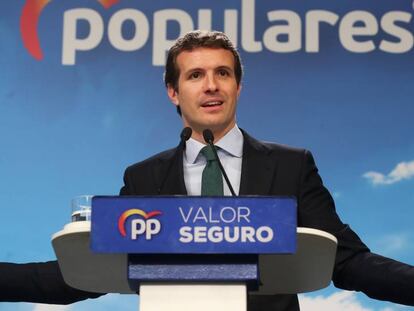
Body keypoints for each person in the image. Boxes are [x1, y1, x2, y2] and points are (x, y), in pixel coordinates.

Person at [1, 30, 413, 311]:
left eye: (223, 73)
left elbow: (345, 262)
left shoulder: (291, 165)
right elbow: (88, 273)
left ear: (238, 87)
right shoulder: (144, 178)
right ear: (173, 93)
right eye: (195, 75)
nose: (211, 85)